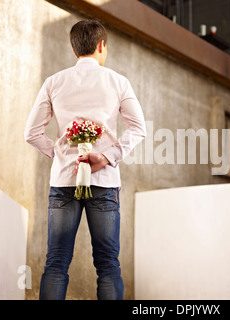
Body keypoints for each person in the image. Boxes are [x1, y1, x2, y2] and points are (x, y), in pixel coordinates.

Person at [24, 20, 146, 299]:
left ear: (73, 48)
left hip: (64, 181)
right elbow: (139, 128)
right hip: (104, 183)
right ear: (102, 46)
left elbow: (31, 133)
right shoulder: (118, 81)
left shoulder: (54, 82)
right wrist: (107, 157)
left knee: (56, 264)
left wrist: (61, 155)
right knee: (108, 266)